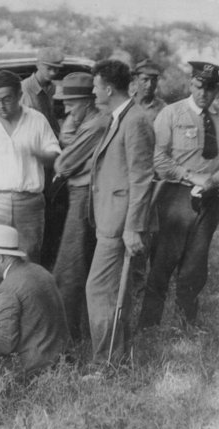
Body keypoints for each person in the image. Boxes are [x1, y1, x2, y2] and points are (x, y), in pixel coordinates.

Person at [0, 69, 60, 308]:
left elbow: (56, 158)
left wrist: (38, 152)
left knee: (27, 260)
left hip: (29, 202)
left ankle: (26, 315)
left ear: (19, 95)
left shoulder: (37, 120)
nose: (1, 105)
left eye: (6, 99)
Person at [139, 61, 219, 327]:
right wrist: (190, 176)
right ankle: (148, 325)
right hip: (175, 196)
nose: (203, 94)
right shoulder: (171, 114)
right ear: (190, 84)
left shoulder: (218, 118)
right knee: (162, 263)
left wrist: (212, 181)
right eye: (198, 87)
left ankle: (185, 327)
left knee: (195, 268)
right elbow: (158, 158)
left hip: (209, 200)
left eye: (210, 89)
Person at [86, 59, 155, 366]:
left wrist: (133, 227)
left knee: (100, 290)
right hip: (110, 217)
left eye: (95, 86)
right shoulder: (118, 116)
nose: (92, 91)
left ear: (108, 88)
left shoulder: (135, 120)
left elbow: (141, 178)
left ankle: (106, 363)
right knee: (114, 292)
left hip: (120, 223)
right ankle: (117, 357)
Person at [0, 224, 69, 376]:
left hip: (34, 366)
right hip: (60, 357)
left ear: (0, 258)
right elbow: (34, 312)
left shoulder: (7, 289)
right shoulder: (40, 271)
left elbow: (4, 343)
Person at [52, 73, 109, 342]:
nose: (65, 111)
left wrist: (67, 160)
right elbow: (67, 144)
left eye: (71, 104)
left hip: (84, 195)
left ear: (88, 102)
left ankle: (69, 337)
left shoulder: (96, 124)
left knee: (69, 269)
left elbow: (63, 165)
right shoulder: (87, 120)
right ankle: (77, 332)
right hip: (81, 193)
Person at [21, 47, 64, 136]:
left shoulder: (56, 89)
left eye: (56, 69)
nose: (53, 73)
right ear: (37, 65)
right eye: (49, 68)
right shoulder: (23, 89)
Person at [132, 59, 167, 123]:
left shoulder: (163, 108)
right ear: (136, 80)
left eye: (153, 80)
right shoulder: (126, 104)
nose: (149, 85)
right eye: (145, 80)